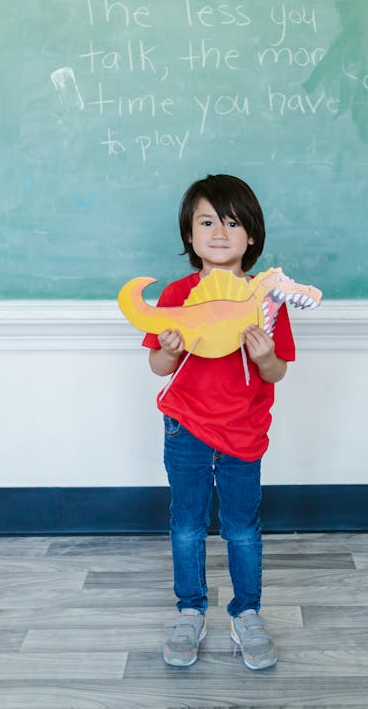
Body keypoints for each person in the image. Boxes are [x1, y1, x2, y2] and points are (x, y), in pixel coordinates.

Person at [142, 174, 295, 670]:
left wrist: (267, 353)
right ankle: (190, 610)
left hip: (243, 432)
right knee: (186, 524)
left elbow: (277, 371)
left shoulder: (266, 300)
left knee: (242, 528)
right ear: (190, 234)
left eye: (232, 222)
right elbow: (158, 368)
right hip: (184, 428)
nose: (220, 232)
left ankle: (246, 612)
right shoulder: (179, 293)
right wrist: (169, 349)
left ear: (252, 235)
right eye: (207, 221)